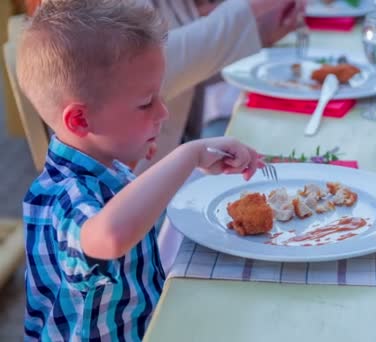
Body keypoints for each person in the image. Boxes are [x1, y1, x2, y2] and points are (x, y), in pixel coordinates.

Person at [16, 0, 263, 340]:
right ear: (80, 120)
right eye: (146, 102)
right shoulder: (63, 195)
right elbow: (110, 237)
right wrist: (186, 156)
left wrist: (184, 160)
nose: (162, 112)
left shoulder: (104, 166)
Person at [135, 0, 299, 173]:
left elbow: (190, 72)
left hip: (179, 153)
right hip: (139, 177)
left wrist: (261, 34)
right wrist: (249, 7)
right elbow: (152, 70)